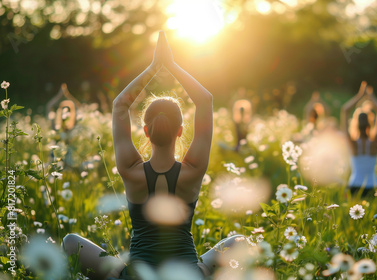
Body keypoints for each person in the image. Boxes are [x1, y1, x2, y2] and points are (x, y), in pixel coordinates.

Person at [62, 31, 243, 279]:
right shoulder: (192, 171)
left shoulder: (131, 170)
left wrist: (152, 68)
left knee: (71, 242)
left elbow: (120, 105)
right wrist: (171, 65)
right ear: (180, 131)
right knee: (240, 241)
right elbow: (205, 100)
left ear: (146, 132)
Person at [341, 82, 377, 197]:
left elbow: (345, 110)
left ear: (355, 124)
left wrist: (360, 95)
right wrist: (370, 96)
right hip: (374, 189)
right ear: (370, 123)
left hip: (353, 189)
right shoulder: (374, 141)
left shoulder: (352, 143)